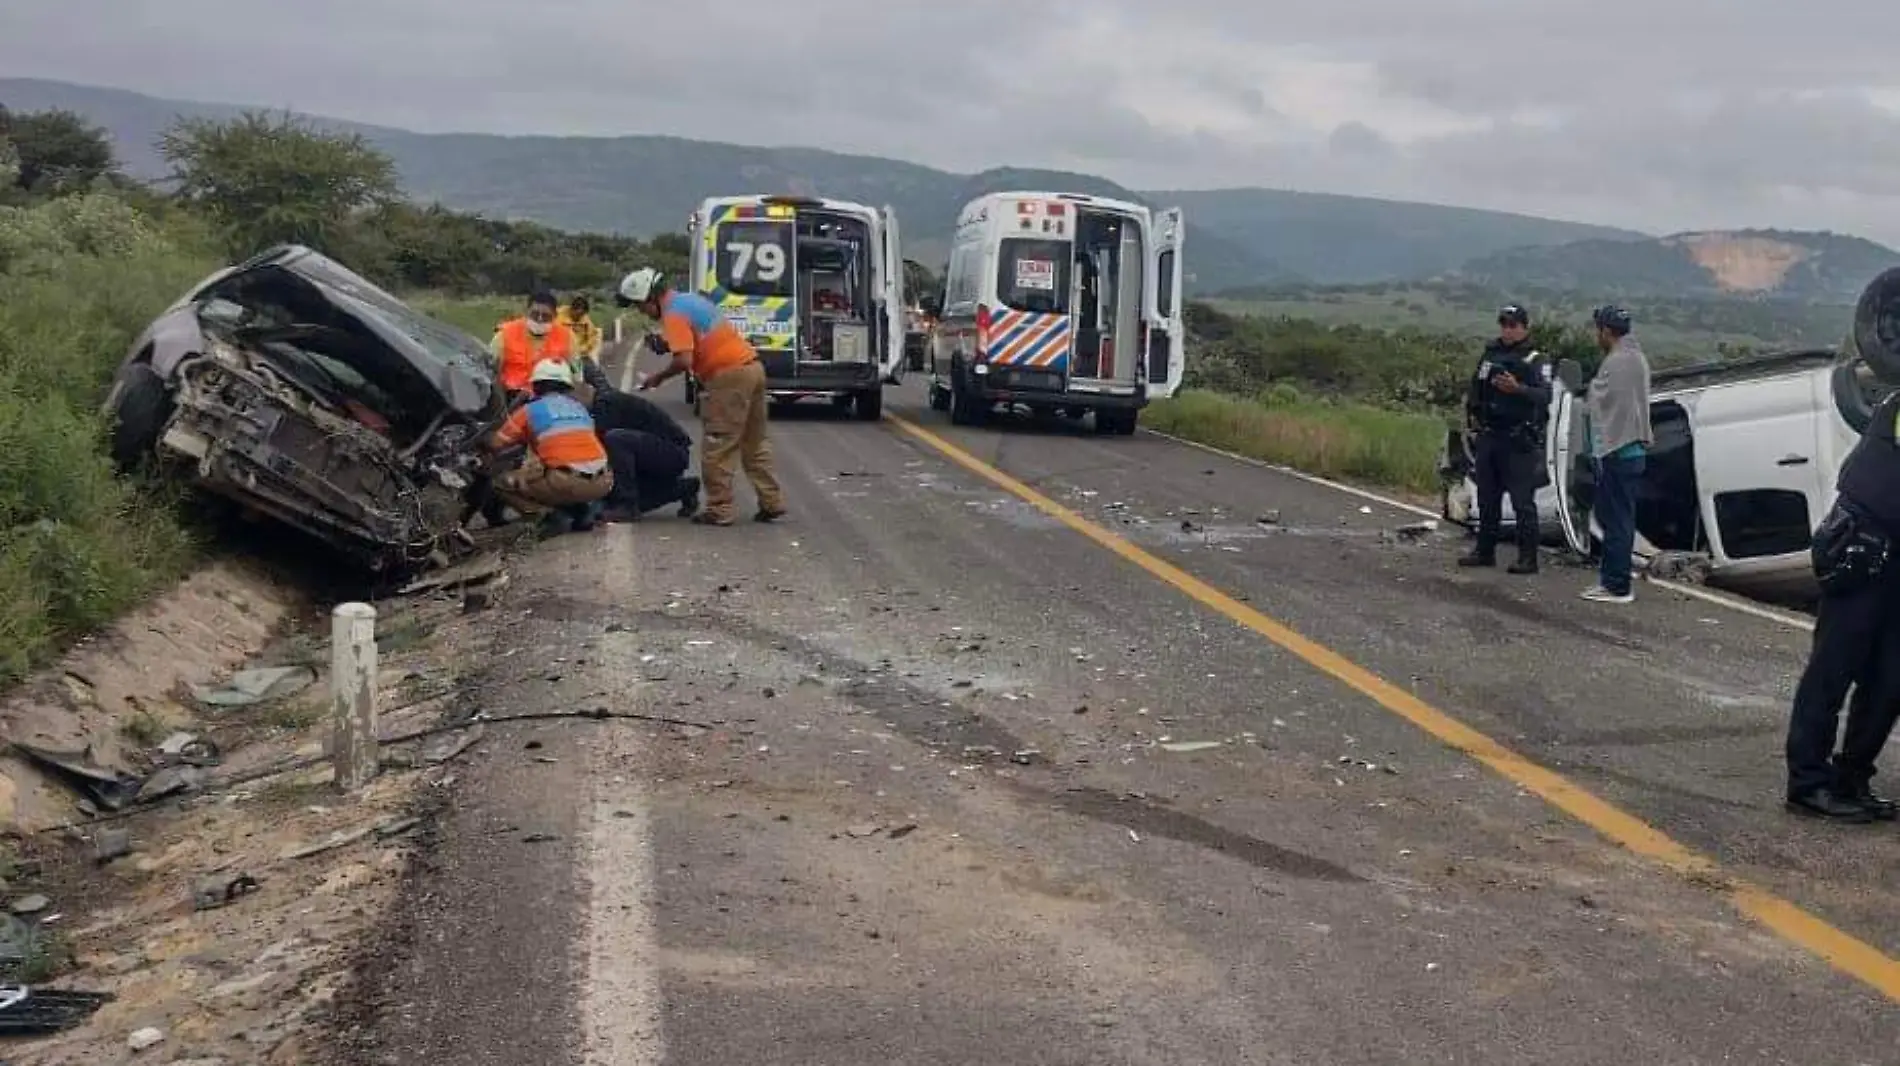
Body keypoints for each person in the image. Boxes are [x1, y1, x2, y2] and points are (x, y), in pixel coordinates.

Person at [1783, 387, 1900, 822]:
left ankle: (1852, 777)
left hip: (1895, 560)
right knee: (1833, 668)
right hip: (1864, 548)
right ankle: (1808, 784)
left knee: (1890, 678)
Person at [615, 267, 786, 527]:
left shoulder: (673, 315)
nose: (642, 312)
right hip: (752, 368)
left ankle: (720, 509)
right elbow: (699, 335)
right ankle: (772, 502)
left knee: (718, 446)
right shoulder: (689, 300)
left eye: (640, 306)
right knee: (755, 443)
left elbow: (684, 360)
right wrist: (666, 345)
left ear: (650, 298)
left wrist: (657, 378)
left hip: (727, 377)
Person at [1458, 304, 1552, 574]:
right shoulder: (1491, 354)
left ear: (1524, 327)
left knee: (1523, 501)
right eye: (1504, 324)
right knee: (1487, 498)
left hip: (1519, 438)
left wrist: (1517, 389)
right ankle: (1484, 551)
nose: (1508, 330)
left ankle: (1528, 558)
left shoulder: (1536, 359)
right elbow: (1476, 388)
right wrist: (1474, 419)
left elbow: (1545, 396)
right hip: (1491, 435)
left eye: (1513, 325)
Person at [482, 359, 614, 534]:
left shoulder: (530, 410)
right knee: (555, 470)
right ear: (566, 386)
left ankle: (546, 516)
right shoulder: (578, 408)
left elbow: (495, 444)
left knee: (499, 483)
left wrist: (481, 435)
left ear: (536, 385)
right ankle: (583, 512)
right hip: (604, 481)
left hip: (566, 482)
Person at [1580, 305, 1652, 604]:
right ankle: (1615, 578)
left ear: (1606, 331)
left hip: (1621, 452)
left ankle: (1616, 584)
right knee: (1619, 518)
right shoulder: (1636, 356)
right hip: (1631, 452)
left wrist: (1588, 393)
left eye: (1598, 329)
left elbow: (1603, 402)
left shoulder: (1619, 362)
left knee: (1617, 521)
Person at [591, 382, 701, 521]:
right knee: (634, 502)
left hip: (672, 453)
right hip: (652, 456)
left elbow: (599, 452)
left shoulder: (605, 404)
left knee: (615, 439)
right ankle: (684, 488)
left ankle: (626, 505)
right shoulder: (596, 405)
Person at [490, 290, 577, 404]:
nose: (540, 319)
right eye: (535, 314)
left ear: (555, 316)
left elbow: (576, 375)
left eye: (545, 316)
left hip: (553, 398)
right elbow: (490, 372)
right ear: (526, 312)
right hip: (512, 396)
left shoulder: (567, 337)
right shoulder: (505, 334)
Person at [559, 294, 610, 395]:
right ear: (572, 309)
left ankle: (607, 398)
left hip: (581, 356)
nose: (579, 317)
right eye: (577, 314)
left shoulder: (585, 320)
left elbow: (592, 337)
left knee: (598, 378)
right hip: (561, 356)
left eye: (581, 314)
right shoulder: (558, 316)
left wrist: (584, 349)